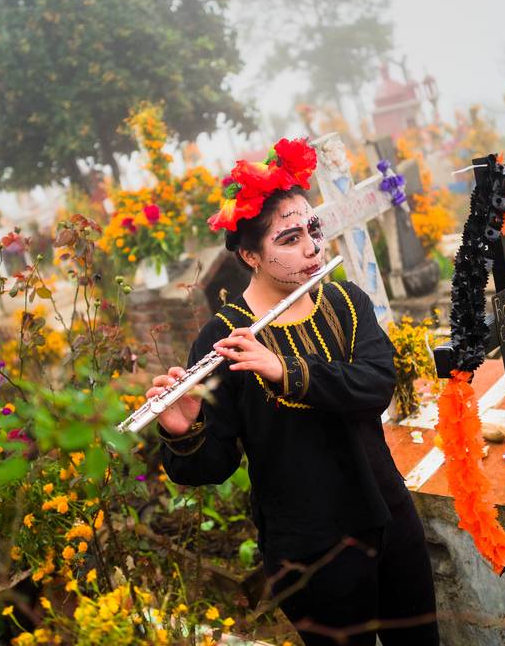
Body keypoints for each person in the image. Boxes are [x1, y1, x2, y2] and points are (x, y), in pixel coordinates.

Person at [147, 138, 439, 646]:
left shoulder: (346, 301)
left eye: (313, 229)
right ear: (250, 255)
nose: (311, 247)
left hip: (389, 517)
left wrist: (285, 370)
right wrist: (184, 430)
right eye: (288, 239)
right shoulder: (222, 339)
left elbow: (375, 384)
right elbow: (210, 468)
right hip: (310, 549)